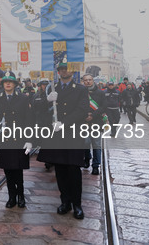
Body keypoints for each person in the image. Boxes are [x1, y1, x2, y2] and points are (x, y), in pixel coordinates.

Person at [37, 61, 90, 220]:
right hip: (56, 135)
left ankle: (77, 204)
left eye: (66, 69)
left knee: (73, 170)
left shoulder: (80, 89)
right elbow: (39, 111)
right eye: (61, 69)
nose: (64, 71)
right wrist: (46, 100)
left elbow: (82, 110)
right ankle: (65, 201)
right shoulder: (52, 89)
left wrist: (65, 123)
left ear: (72, 72)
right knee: (60, 170)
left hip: (72, 134)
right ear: (58, 72)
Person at [0, 71, 33, 208]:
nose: (8, 84)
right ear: (2, 84)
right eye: (5, 82)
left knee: (18, 169)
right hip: (3, 138)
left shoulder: (23, 98)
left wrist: (29, 139)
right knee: (8, 170)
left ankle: (21, 195)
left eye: (10, 82)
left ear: (15, 84)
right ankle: (11, 196)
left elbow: (28, 120)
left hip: (19, 137)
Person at [81, 74, 106, 175]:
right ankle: (87, 157)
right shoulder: (80, 92)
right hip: (84, 122)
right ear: (83, 81)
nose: (88, 82)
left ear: (93, 81)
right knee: (85, 142)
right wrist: (85, 116)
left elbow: (104, 107)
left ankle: (96, 165)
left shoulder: (100, 93)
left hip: (96, 122)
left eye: (90, 80)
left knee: (96, 144)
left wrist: (93, 115)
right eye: (86, 80)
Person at [31, 78, 53, 170]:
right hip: (40, 121)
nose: (44, 86)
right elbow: (34, 107)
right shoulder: (37, 96)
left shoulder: (53, 95)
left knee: (49, 142)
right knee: (42, 141)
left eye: (46, 84)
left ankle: (49, 160)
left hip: (50, 122)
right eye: (43, 84)